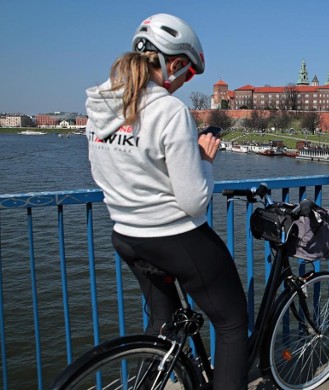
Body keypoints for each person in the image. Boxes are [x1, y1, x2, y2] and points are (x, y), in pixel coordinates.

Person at [85, 14, 248, 389]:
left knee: (163, 320)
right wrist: (205, 160)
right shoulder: (169, 110)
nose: (183, 83)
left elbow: (104, 171)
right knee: (231, 321)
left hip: (125, 234)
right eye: (188, 75)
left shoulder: (98, 107)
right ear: (173, 64)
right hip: (174, 237)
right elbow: (193, 202)